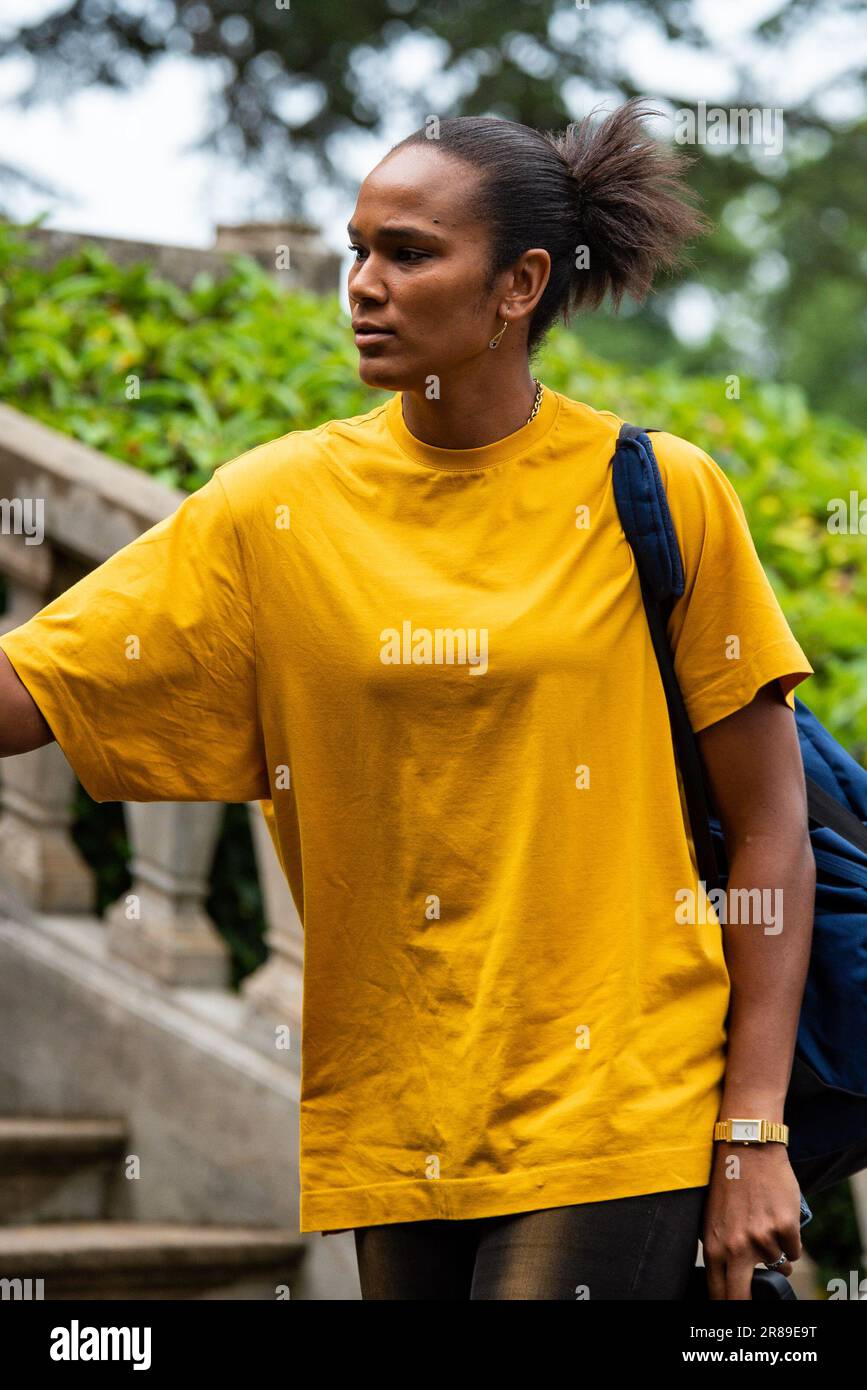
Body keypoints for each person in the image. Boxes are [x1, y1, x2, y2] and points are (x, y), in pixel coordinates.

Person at [0, 98, 816, 1300]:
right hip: (393, 1123)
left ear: (521, 284)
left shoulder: (659, 491)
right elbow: (35, 687)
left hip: (616, 1104)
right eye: (356, 249)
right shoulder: (272, 507)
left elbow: (770, 826)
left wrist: (753, 1128)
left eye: (410, 252)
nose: (363, 285)